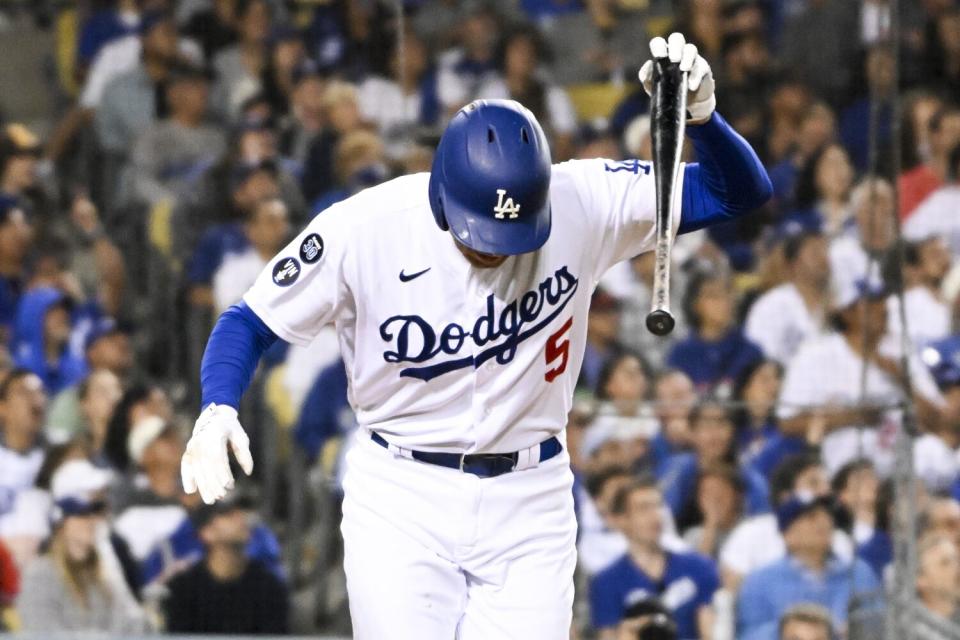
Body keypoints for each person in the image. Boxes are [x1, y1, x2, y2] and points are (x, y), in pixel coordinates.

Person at [182, 34, 772, 639]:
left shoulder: (580, 198)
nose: (494, 248)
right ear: (442, 197)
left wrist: (704, 121)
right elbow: (248, 321)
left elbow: (739, 192)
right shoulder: (365, 229)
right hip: (401, 490)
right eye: (480, 232)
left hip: (531, 493)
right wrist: (218, 404)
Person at [778, 277, 944, 476]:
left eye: (882, 299)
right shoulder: (816, 355)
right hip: (843, 471)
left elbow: (940, 421)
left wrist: (902, 380)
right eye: (871, 302)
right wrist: (851, 417)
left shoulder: (900, 349)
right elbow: (787, 422)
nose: (882, 307)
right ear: (847, 312)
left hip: (902, 467)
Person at [16, 465, 147, 633]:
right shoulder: (40, 573)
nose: (94, 519)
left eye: (98, 509)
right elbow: (41, 633)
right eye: (83, 512)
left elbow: (134, 626)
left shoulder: (103, 571)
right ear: (61, 520)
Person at [736, 494, 881, 640]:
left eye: (826, 514)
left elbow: (879, 625)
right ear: (788, 534)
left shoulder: (859, 573)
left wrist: (853, 630)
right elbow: (750, 634)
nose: (823, 521)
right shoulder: (760, 581)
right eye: (811, 517)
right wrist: (792, 630)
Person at [589, 477, 719, 640]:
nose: (655, 515)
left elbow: (711, 632)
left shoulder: (699, 566)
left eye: (658, 506)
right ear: (621, 520)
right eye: (643, 508)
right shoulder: (606, 582)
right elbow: (608, 636)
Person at [164, 497, 289, 633]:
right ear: (206, 532)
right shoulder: (184, 590)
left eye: (240, 512)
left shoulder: (268, 587)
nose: (240, 518)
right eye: (228, 515)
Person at [666, 271, 763, 395]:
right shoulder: (680, 353)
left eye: (728, 293)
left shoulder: (750, 351)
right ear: (695, 304)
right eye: (713, 296)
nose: (724, 302)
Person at [744, 228, 830, 365]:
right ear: (794, 264)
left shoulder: (835, 307)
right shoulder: (772, 305)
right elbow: (759, 355)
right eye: (815, 253)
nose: (823, 258)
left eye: (825, 251)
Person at [213, 196, 291, 314]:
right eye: (271, 221)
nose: (279, 227)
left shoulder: (297, 262)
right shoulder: (234, 268)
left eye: (283, 221)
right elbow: (231, 310)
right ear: (252, 229)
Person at [916, 533, 960, 625]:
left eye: (957, 560)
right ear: (921, 579)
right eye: (945, 563)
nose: (957, 569)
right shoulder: (905, 630)